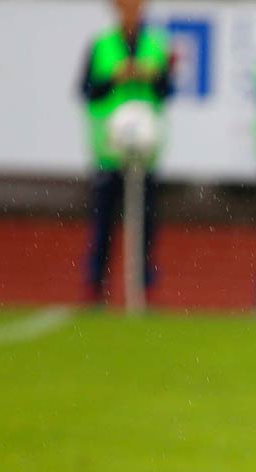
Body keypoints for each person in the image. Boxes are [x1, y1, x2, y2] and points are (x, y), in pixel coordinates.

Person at [77, 0, 174, 305]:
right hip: (110, 150)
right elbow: (87, 90)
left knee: (146, 223)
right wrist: (114, 77)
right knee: (104, 222)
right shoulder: (102, 46)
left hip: (144, 151)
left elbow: (166, 90)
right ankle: (96, 285)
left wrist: (150, 74)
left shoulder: (156, 46)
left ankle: (143, 286)